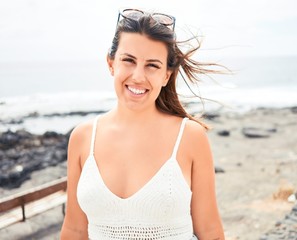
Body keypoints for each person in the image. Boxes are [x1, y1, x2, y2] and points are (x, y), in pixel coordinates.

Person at [60, 8, 225, 240]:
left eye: (152, 65)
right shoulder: (83, 137)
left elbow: (211, 233)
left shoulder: (189, 136)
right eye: (128, 60)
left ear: (166, 75)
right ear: (111, 64)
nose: (138, 76)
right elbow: (74, 230)